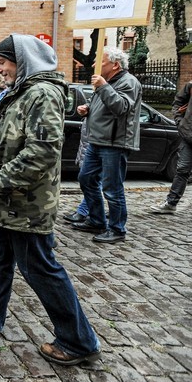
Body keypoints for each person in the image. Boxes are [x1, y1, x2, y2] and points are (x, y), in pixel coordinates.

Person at [0, 34, 101, 366]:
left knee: (42, 270)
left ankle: (79, 340)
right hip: (9, 202)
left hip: (27, 204)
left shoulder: (42, 94)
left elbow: (42, 152)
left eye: (3, 61)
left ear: (24, 61)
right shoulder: (21, 93)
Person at [70, 47, 141, 244]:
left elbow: (122, 108)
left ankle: (117, 229)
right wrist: (88, 110)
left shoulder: (129, 82)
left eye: (99, 61)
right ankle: (96, 220)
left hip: (114, 143)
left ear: (115, 65)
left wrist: (103, 87)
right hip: (97, 140)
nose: (93, 65)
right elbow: (105, 108)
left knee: (112, 187)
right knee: (86, 178)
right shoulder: (107, 82)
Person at [151, 78, 192, 214]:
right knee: (182, 170)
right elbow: (178, 103)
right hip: (188, 136)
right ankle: (171, 203)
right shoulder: (191, 85)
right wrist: (180, 122)